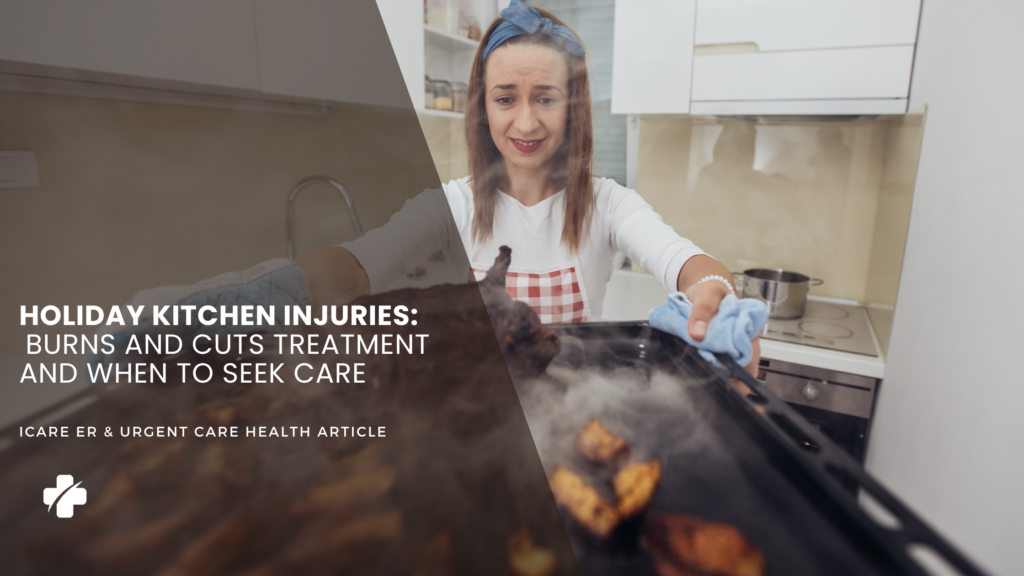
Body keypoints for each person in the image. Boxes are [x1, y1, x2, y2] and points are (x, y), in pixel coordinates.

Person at [297, 0, 759, 373]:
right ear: (483, 108)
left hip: (578, 404)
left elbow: (686, 263)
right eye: (505, 98)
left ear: (571, 107)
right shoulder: (451, 205)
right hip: (484, 410)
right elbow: (362, 263)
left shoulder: (609, 204)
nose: (526, 121)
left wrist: (713, 290)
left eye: (545, 98)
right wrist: (276, 289)